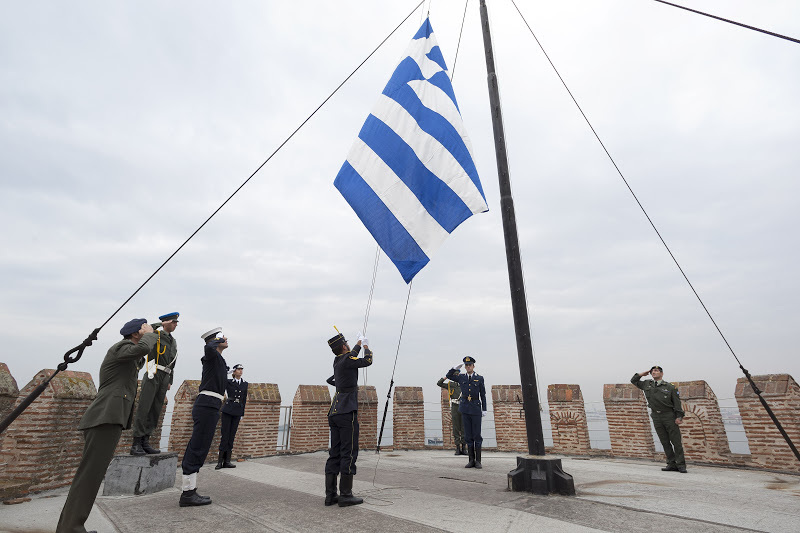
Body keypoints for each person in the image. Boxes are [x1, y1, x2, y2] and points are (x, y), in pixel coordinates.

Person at [56, 318, 158, 533]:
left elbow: (141, 356)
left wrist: (158, 330)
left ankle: (69, 526)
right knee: (89, 476)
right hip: (105, 417)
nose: (149, 331)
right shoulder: (121, 347)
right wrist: (149, 334)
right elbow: (142, 348)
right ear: (135, 333)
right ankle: (72, 528)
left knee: (89, 475)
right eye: (145, 328)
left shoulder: (129, 354)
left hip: (108, 418)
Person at [179, 327, 229, 507]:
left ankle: (190, 490)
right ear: (214, 340)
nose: (226, 338)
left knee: (201, 446)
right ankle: (187, 494)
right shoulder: (211, 355)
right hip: (207, 405)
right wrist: (214, 340)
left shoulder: (219, 359)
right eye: (222, 337)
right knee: (197, 447)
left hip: (212, 405)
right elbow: (208, 349)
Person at [324, 331, 373, 507]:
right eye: (347, 343)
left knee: (334, 454)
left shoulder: (337, 361)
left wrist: (343, 383)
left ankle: (330, 496)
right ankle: (346, 495)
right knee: (349, 452)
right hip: (346, 412)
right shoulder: (345, 359)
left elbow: (335, 376)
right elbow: (367, 361)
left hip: (334, 412)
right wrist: (363, 345)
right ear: (344, 346)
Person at [130, 311, 179, 455]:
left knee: (155, 410)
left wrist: (169, 380)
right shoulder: (155, 335)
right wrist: (160, 324)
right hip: (153, 372)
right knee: (145, 407)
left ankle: (146, 441)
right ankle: (136, 443)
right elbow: (145, 330)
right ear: (168, 322)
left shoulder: (173, 341)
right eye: (174, 322)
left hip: (165, 376)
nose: (176, 325)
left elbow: (172, 361)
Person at [632, 365, 687, 473]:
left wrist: (679, 417)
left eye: (656, 371)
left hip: (669, 416)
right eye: (652, 371)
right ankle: (671, 464)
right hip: (656, 416)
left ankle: (681, 465)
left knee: (676, 442)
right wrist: (642, 374)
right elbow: (634, 380)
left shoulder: (670, 387)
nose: (654, 372)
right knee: (665, 442)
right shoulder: (647, 384)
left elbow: (677, 403)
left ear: (661, 373)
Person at [446, 356, 487, 469]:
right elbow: (449, 376)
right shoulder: (461, 377)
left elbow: (483, 394)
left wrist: (484, 408)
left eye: (470, 365)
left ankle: (478, 461)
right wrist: (454, 368)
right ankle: (471, 460)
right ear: (465, 367)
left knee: (477, 435)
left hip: (475, 408)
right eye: (466, 365)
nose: (468, 367)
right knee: (468, 435)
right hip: (464, 408)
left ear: (473, 366)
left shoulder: (479, 378)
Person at [216, 363, 247, 470]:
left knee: (232, 436)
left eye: (241, 369)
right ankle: (220, 462)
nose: (240, 371)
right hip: (228, 410)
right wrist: (227, 373)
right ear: (234, 371)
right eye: (238, 369)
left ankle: (227, 461)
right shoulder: (229, 382)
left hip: (237, 411)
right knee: (225, 435)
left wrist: (242, 413)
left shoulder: (245, 384)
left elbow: (244, 399)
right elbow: (220, 379)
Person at [437, 373, 466, 455]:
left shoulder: (465, 384)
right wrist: (446, 377)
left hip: (464, 407)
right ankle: (457, 448)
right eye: (455, 375)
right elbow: (439, 383)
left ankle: (464, 448)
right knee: (456, 427)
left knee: (464, 428)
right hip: (455, 407)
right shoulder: (451, 385)